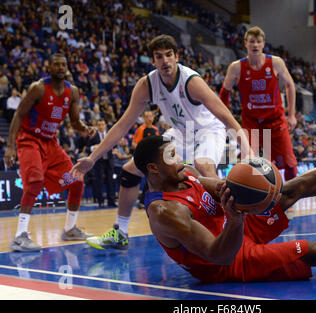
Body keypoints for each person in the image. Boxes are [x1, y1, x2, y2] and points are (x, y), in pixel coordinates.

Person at [135, 124, 316, 283]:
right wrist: (236, 219)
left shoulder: (184, 173)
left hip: (234, 230)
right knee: (312, 250)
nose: (178, 157)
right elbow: (218, 255)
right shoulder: (165, 211)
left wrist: (248, 180)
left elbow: (222, 187)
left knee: (286, 190)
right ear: (154, 169)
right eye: (170, 156)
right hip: (226, 262)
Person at [71, 34, 252, 250]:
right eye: (159, 56)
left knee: (203, 165)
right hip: (180, 134)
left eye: (169, 55)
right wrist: (93, 158)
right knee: (131, 169)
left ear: (177, 56)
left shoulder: (191, 82)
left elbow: (225, 115)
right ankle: (120, 232)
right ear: (153, 61)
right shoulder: (147, 84)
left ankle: (229, 230)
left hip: (207, 130)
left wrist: (247, 148)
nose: (165, 61)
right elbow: (122, 125)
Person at [4, 53, 96, 252]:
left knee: (76, 178)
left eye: (63, 64)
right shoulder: (38, 88)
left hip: (50, 142)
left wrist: (84, 128)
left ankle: (70, 229)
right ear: (49, 67)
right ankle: (20, 236)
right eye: (56, 64)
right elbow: (19, 115)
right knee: (35, 182)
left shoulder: (73, 92)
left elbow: (74, 121)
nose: (61, 67)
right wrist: (10, 146)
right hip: (29, 139)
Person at [220, 26, 298, 181]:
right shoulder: (236, 67)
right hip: (251, 122)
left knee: (291, 166)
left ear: (263, 44)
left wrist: (291, 115)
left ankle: (287, 200)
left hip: (275, 120)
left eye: (258, 42)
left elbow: (290, 85)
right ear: (245, 44)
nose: (255, 45)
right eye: (252, 41)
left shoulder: (276, 62)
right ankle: (251, 201)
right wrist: (225, 120)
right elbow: (224, 92)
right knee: (248, 166)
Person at [88, 119, 117, 208]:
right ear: (97, 126)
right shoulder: (94, 135)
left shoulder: (110, 134)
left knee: (110, 181)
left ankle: (111, 201)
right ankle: (101, 201)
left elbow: (115, 145)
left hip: (109, 160)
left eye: (102, 124)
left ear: (105, 125)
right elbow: (89, 147)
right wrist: (94, 147)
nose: (101, 126)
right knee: (99, 181)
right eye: (99, 125)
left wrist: (115, 149)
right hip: (99, 161)